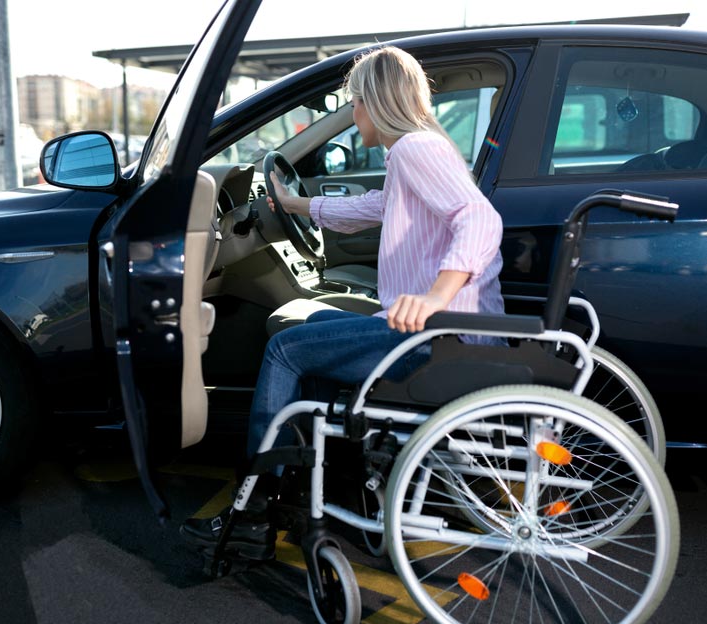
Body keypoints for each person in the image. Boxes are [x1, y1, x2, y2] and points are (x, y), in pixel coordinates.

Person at [181, 45, 504, 561]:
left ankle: (257, 507)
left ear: (375, 103)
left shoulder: (416, 151)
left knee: (286, 349)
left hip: (432, 336)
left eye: (355, 103)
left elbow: (481, 219)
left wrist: (433, 297)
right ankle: (309, 485)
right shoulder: (420, 150)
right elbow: (376, 206)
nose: (352, 115)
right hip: (440, 330)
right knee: (313, 337)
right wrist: (295, 205)